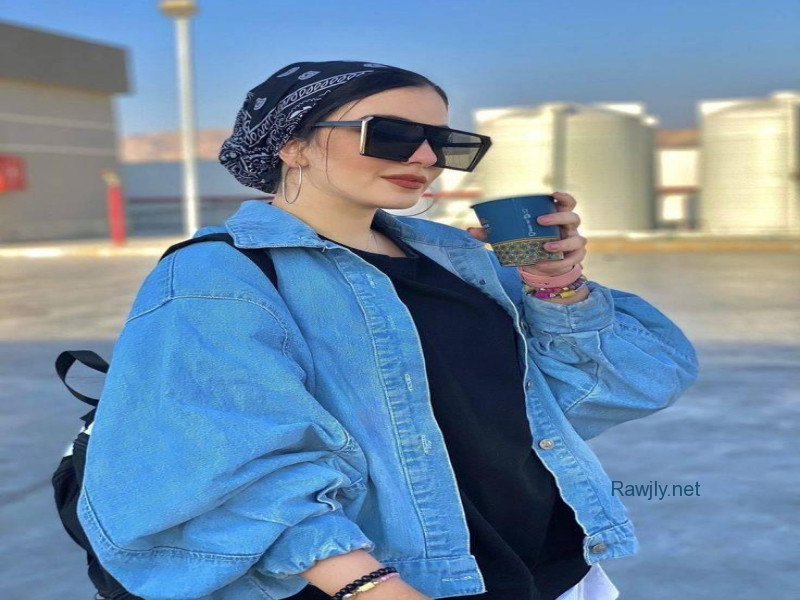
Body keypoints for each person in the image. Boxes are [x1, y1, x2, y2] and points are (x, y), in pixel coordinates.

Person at [78, 61, 699, 600]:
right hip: (394, 583)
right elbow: (229, 466)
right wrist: (375, 589)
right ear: (292, 145)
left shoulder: (458, 257)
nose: (425, 158)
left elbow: (617, 388)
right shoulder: (219, 274)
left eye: (444, 141)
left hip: (553, 566)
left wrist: (556, 285)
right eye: (392, 135)